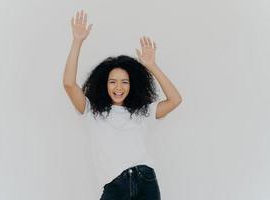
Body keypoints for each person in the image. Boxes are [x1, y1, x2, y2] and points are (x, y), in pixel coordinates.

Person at [63, 10, 182, 200]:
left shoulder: (142, 111)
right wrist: (77, 41)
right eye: (113, 82)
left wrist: (152, 66)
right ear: (104, 84)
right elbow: (69, 83)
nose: (118, 87)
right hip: (114, 185)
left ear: (132, 84)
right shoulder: (92, 110)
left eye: (124, 82)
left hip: (146, 181)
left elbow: (175, 100)